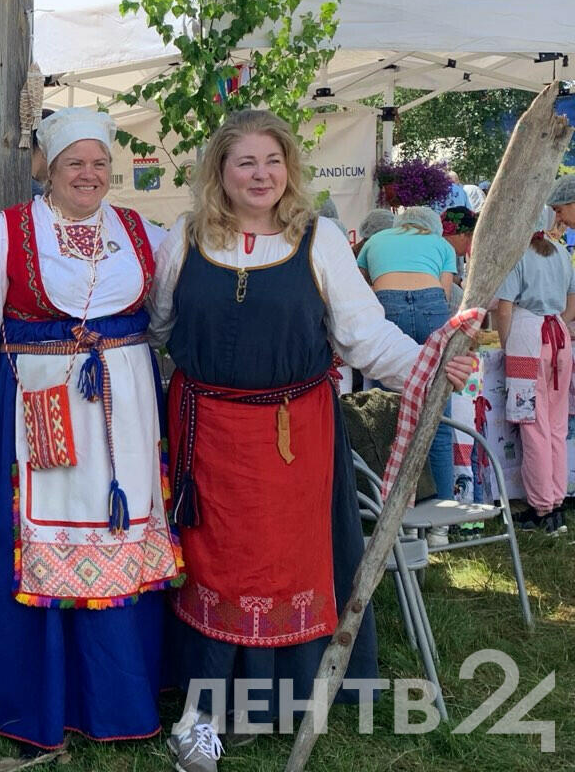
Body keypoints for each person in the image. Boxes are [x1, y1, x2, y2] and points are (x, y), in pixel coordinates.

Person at [149, 110, 471, 772]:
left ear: (289, 168)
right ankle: (204, 712)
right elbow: (158, 327)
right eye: (245, 162)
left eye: (273, 160)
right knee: (213, 562)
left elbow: (362, 335)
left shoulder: (318, 239)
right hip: (205, 430)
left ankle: (284, 697)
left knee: (287, 560)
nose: (261, 174)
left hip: (293, 434)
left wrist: (429, 366)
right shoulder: (183, 238)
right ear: (220, 171)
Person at [0, 107, 180, 753]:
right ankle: (36, 696)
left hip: (125, 412)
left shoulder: (144, 233)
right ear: (48, 169)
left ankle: (121, 696)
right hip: (33, 408)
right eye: (75, 162)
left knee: (124, 530)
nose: (89, 174)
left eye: (99, 163)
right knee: (34, 541)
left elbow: (162, 318)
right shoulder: (9, 230)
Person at [356, 207, 459, 500]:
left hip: (386, 305)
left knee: (385, 413)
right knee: (437, 412)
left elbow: (359, 289)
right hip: (431, 304)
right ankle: (441, 509)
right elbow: (446, 296)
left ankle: (387, 507)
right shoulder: (442, 245)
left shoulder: (375, 241)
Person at [493, 204, 575, 535]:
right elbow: (573, 300)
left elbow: (504, 309)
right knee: (555, 425)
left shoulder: (518, 253)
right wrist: (562, 322)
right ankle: (555, 502)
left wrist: (504, 343)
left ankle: (541, 508)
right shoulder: (560, 252)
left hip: (528, 337)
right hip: (557, 338)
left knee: (534, 426)